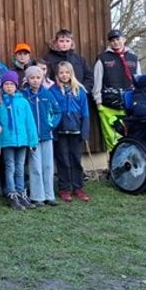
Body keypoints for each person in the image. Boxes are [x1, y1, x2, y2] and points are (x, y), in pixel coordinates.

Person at [0, 71, 38, 210]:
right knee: (10, 167)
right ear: (2, 86)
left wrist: (32, 141)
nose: (9, 87)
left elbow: (29, 122)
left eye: (12, 84)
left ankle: (21, 192)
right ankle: (12, 194)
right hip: (7, 141)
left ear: (16, 86)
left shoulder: (23, 101)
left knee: (19, 168)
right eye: (6, 84)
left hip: (22, 140)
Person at [93, 29, 141, 152]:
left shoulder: (134, 58)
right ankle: (114, 165)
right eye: (112, 40)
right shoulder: (103, 59)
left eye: (118, 39)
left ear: (124, 40)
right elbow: (97, 80)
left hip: (130, 105)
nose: (115, 42)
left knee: (131, 136)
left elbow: (139, 80)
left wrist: (140, 98)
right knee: (113, 138)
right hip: (109, 105)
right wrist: (98, 101)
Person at [51, 62, 91, 202]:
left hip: (76, 130)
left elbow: (85, 112)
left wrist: (84, 131)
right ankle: (64, 188)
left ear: (71, 73)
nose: (64, 75)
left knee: (75, 159)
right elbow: (52, 111)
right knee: (63, 160)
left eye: (67, 72)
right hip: (60, 130)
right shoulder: (53, 90)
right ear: (57, 75)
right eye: (61, 72)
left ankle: (78, 187)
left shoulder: (79, 90)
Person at [21, 66, 60, 207]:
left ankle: (49, 195)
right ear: (27, 79)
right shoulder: (25, 96)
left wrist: (51, 125)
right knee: (35, 166)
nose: (35, 80)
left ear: (42, 78)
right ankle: (37, 196)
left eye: (38, 78)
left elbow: (57, 112)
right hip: (32, 138)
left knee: (48, 166)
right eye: (32, 78)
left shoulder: (48, 94)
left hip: (46, 136)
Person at [43, 29, 94, 94]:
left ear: (71, 42)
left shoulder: (79, 58)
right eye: (61, 41)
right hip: (58, 95)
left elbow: (89, 76)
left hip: (78, 94)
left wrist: (83, 90)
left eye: (67, 41)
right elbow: (45, 78)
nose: (65, 44)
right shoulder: (48, 59)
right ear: (56, 42)